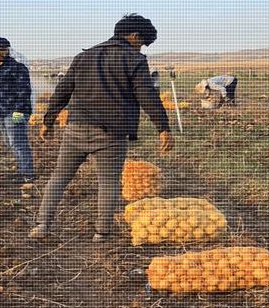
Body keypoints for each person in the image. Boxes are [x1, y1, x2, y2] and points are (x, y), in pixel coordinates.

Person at [29, 14, 174, 243]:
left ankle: (42, 225)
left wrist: (48, 120)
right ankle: (102, 233)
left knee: (59, 178)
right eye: (142, 42)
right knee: (108, 182)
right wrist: (163, 127)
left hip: (75, 128)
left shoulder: (83, 56)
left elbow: (63, 90)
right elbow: (146, 94)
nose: (141, 47)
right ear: (134, 36)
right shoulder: (134, 59)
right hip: (111, 133)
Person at [0, 36, 35, 182]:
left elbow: (24, 91)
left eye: (2, 49)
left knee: (19, 143)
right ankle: (22, 170)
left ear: (8, 50)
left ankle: (28, 174)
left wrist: (19, 110)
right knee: (10, 143)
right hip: (2, 112)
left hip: (15, 112)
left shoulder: (18, 68)